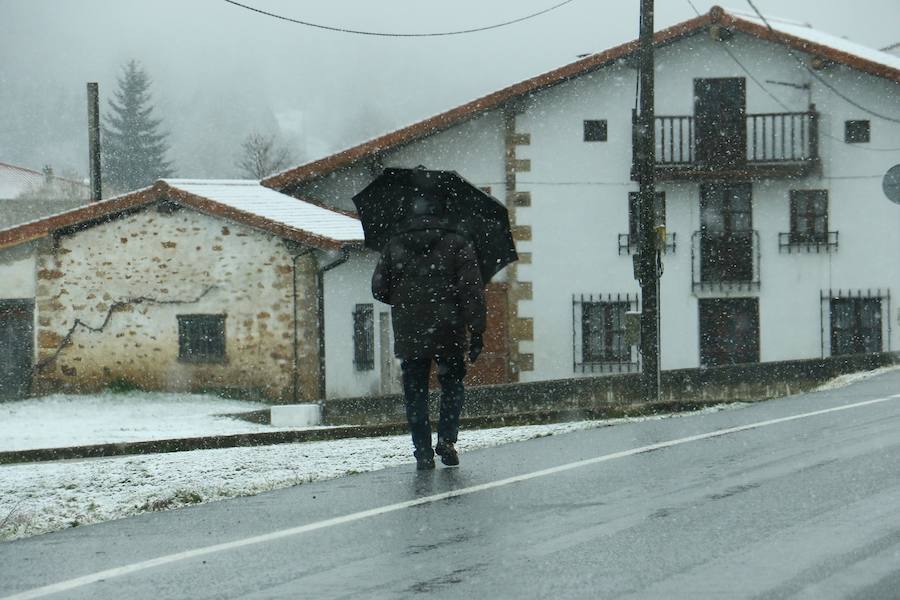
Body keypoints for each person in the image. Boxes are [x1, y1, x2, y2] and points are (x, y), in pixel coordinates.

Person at [372, 192, 486, 470]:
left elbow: (378, 288)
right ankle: (447, 439)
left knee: (415, 393)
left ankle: (422, 451)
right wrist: (477, 332)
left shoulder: (395, 244)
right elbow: (472, 293)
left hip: (410, 333)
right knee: (452, 386)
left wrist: (407, 301)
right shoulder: (458, 243)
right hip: (449, 330)